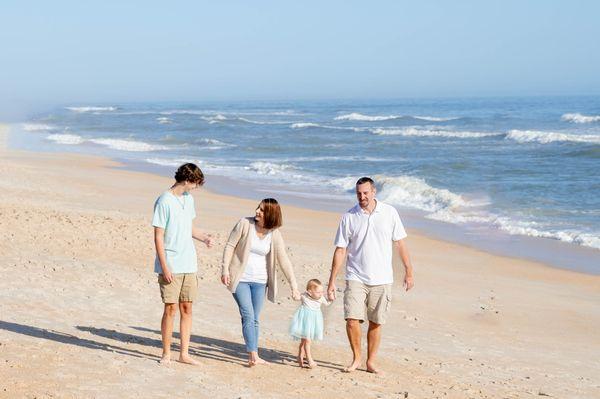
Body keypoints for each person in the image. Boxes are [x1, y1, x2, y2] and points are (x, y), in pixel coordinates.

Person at [327, 176, 414, 373]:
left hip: (382, 278)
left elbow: (400, 243)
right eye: (359, 193)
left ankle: (371, 361)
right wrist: (331, 281)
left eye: (366, 193)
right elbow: (340, 250)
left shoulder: (390, 213)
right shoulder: (349, 217)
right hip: (355, 276)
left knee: (376, 322)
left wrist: (409, 271)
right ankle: (357, 358)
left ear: (374, 192)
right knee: (351, 320)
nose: (362, 196)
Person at [221, 198, 301, 367]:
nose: (257, 211)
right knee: (248, 315)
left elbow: (283, 259)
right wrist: (225, 269)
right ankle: (253, 355)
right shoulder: (244, 224)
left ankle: (253, 352)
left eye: (262, 210)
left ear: (271, 214)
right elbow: (229, 245)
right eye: (258, 207)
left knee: (254, 318)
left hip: (260, 281)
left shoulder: (274, 234)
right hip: (240, 279)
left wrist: (294, 285)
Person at [152, 163, 212, 365]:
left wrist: (204, 238)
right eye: (196, 183)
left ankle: (184, 353)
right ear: (187, 180)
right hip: (171, 263)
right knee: (170, 309)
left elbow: (189, 227)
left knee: (187, 308)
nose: (196, 187)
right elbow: (158, 236)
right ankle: (166, 353)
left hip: (189, 263)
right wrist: (165, 266)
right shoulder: (164, 201)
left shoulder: (189, 199)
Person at [289, 278, 332, 369]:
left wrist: (331, 298)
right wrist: (294, 295)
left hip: (314, 321)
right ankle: (309, 359)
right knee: (307, 340)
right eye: (318, 292)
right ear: (309, 292)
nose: (321, 294)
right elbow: (297, 298)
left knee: (304, 340)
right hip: (304, 320)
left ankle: (300, 356)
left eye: (322, 292)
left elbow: (327, 303)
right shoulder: (304, 296)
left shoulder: (321, 298)